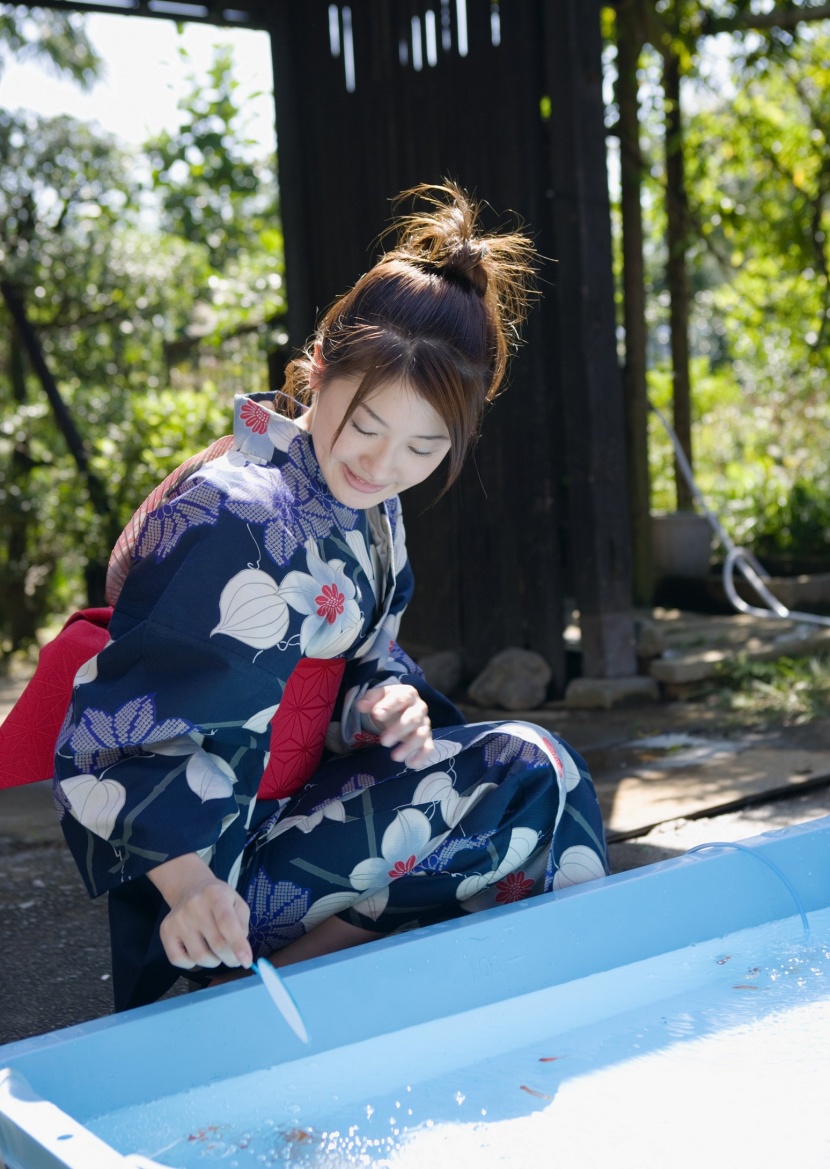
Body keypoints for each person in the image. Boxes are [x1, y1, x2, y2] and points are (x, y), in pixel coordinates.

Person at [53, 183, 609, 1011]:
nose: (384, 466)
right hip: (210, 885)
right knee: (537, 775)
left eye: (424, 447)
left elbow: (359, 659)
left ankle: (561, 1002)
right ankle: (220, 1001)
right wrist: (186, 887)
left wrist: (380, 702)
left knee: (534, 777)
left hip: (296, 827)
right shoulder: (234, 512)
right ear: (321, 367)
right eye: (366, 425)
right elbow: (108, 738)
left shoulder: (371, 511)